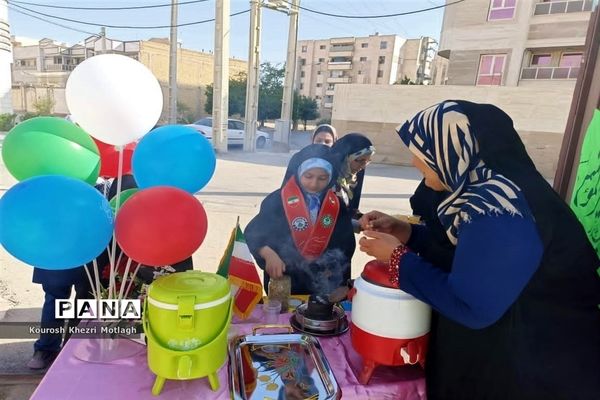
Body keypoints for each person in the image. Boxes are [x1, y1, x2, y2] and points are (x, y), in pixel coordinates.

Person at [358, 100, 600, 399]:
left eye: (421, 153)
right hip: (516, 352)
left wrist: (397, 259)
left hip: (530, 367)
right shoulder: (485, 191)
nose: (414, 162)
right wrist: (405, 232)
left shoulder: (500, 206)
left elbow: (472, 306)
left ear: (455, 151)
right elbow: (469, 258)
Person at [245, 144, 355, 295]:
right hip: (285, 277)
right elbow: (254, 233)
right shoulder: (277, 200)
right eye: (308, 176)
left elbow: (346, 244)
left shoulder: (336, 205)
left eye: (322, 178)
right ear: (298, 173)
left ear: (331, 178)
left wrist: (335, 267)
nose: (314, 184)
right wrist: (267, 253)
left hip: (324, 281)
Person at [27, 179, 110, 370]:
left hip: (92, 248)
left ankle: (72, 350)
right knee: (55, 300)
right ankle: (46, 349)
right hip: (57, 247)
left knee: (85, 302)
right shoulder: (55, 174)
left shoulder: (111, 178)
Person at [331, 133, 375, 227]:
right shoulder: (330, 184)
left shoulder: (348, 179)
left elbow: (346, 211)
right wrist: (360, 225)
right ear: (344, 158)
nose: (363, 167)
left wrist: (363, 218)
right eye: (360, 160)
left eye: (367, 161)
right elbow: (330, 221)